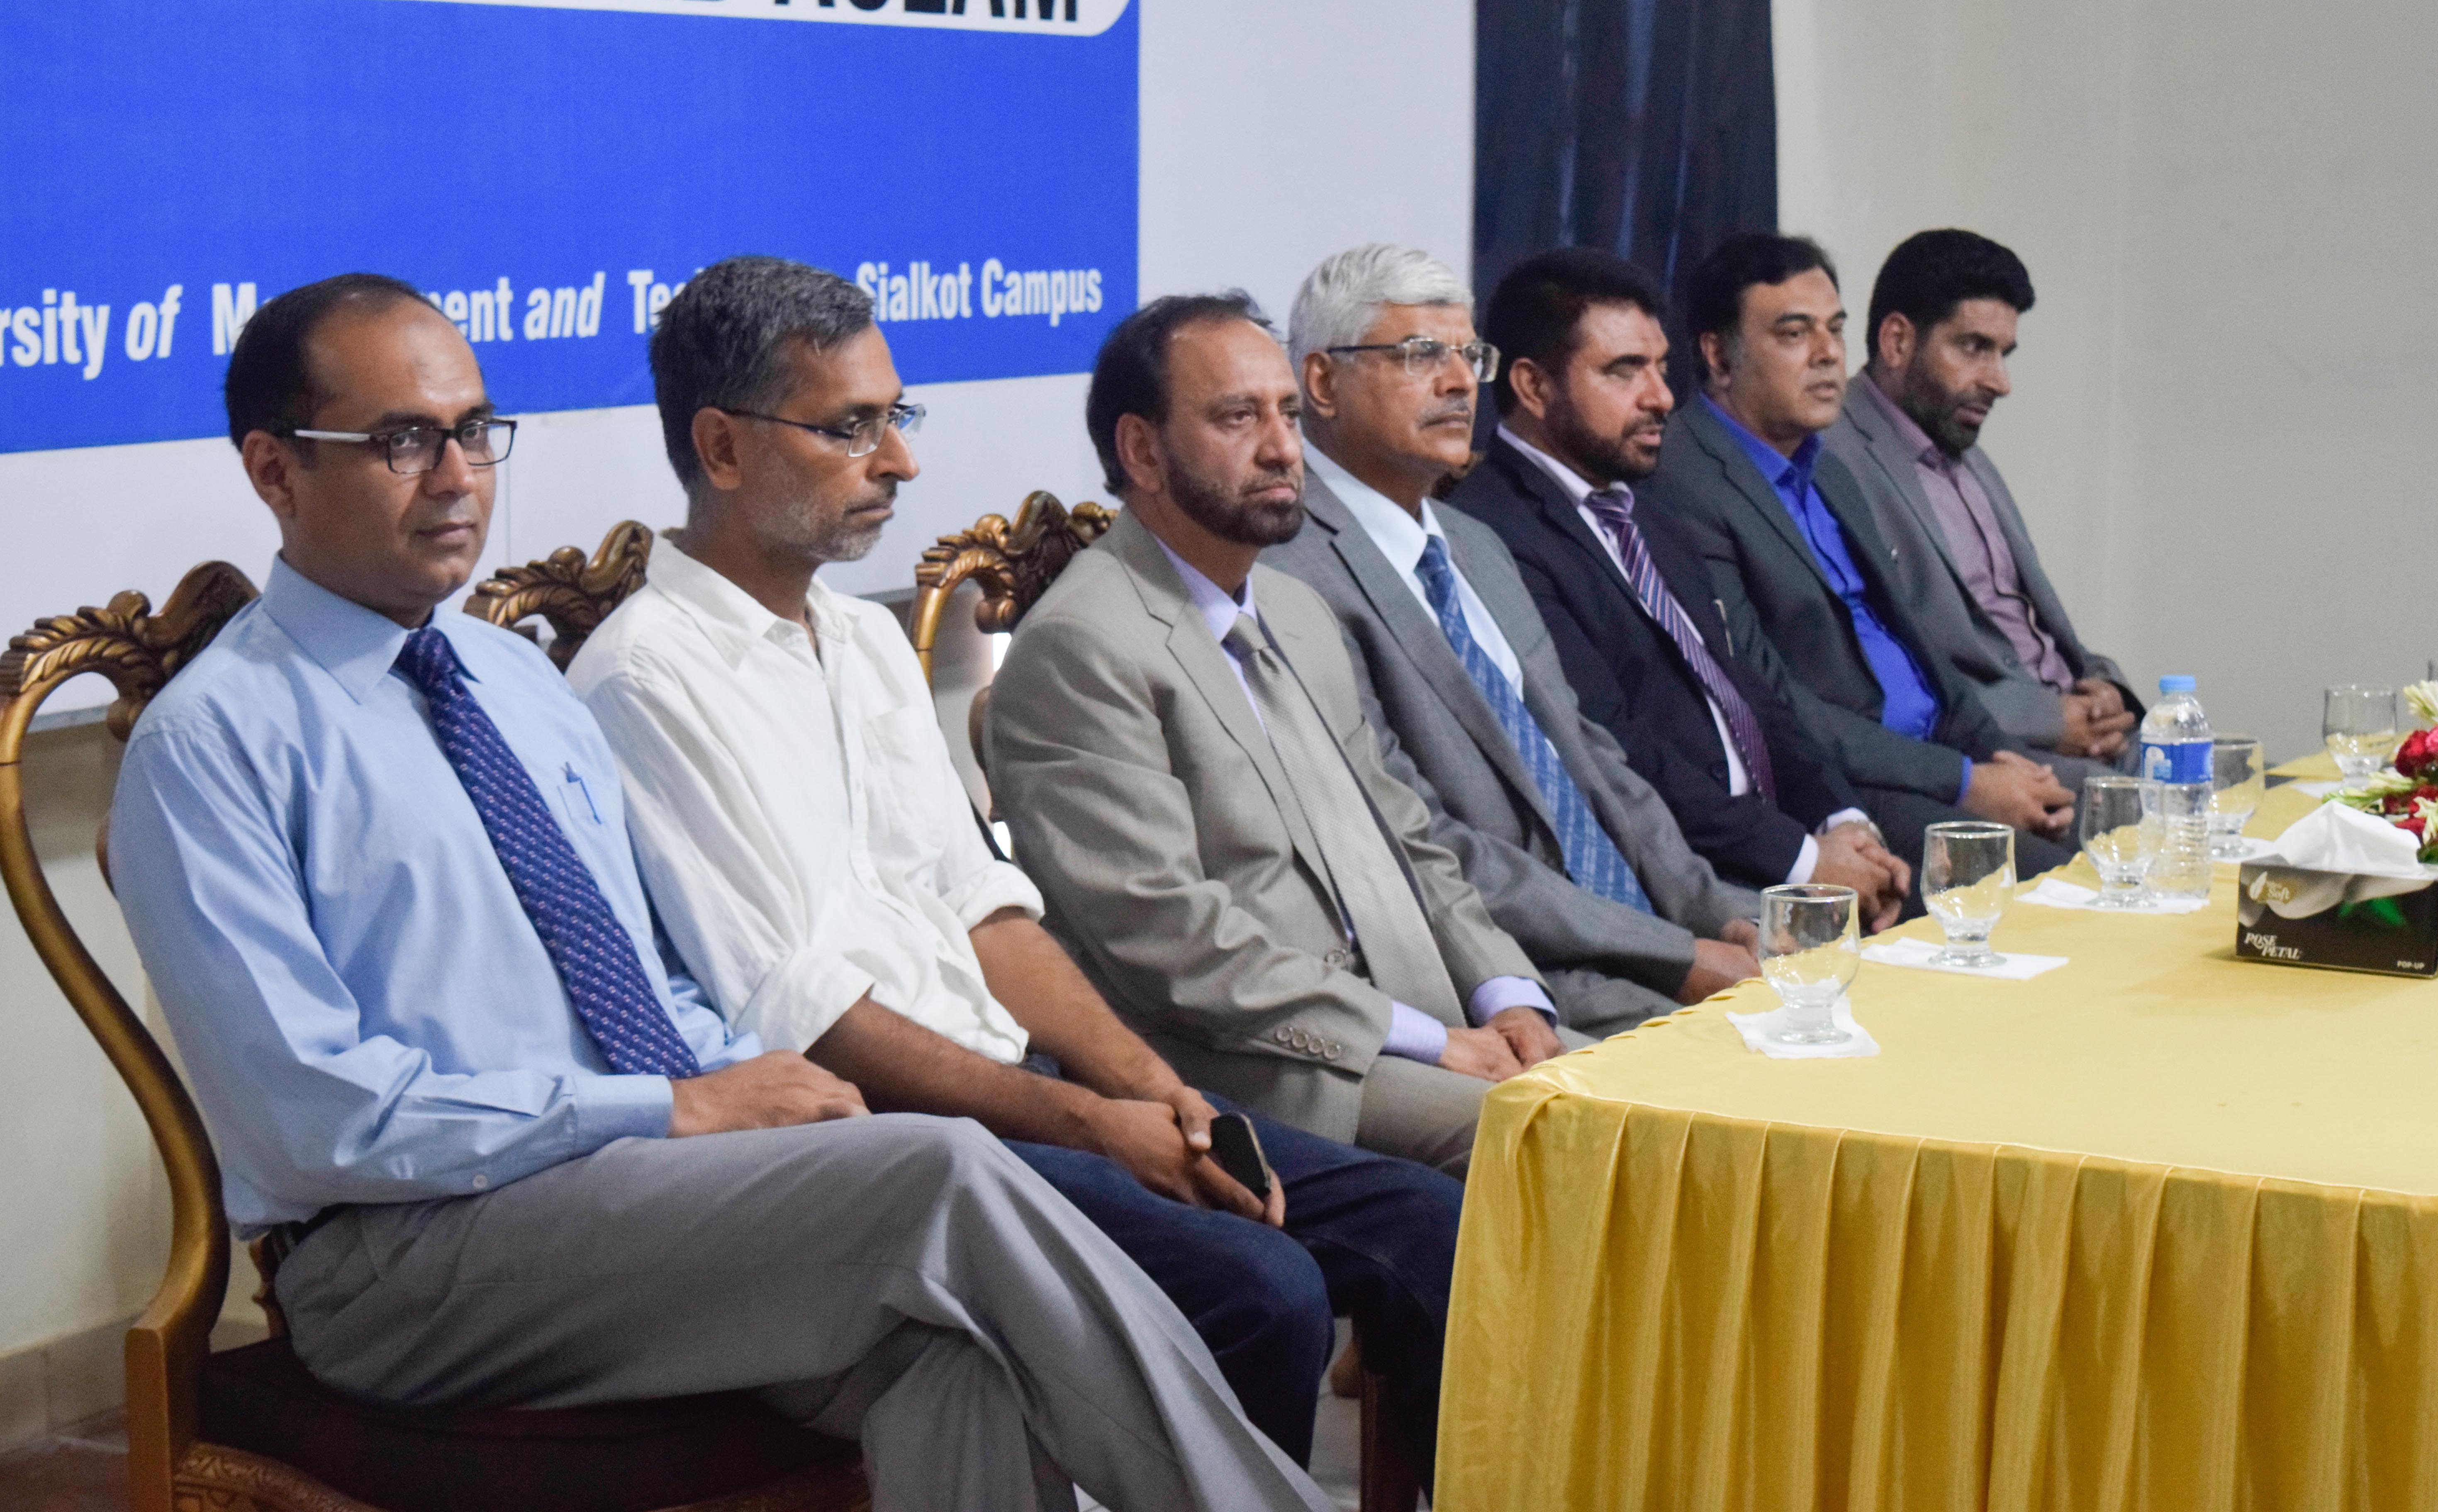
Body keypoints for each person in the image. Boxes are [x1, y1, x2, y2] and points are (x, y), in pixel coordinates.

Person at [105, 273, 1333, 1512]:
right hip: (407, 1256)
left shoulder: (513, 682)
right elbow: (316, 1119)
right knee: (937, 1171)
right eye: (402, 441)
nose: (459, 477)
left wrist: (757, 1088)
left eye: (475, 431)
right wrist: (669, 1107)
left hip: (633, 1193)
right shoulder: (212, 744)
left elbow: (643, 981)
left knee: (956, 1354)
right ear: (274, 469)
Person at [568, 256, 1462, 1472]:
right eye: (850, 427)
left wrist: (1154, 1092)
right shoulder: (644, 679)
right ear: (722, 447)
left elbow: (988, 912)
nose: (899, 460)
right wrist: (1091, 1123)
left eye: (896, 416)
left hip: (1019, 1080)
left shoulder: (859, 638)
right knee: (1263, 1288)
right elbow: (806, 1016)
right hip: (886, 1138)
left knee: (1419, 1222)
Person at [986, 293, 1580, 1181]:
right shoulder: (1081, 645)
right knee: (1574, 1140)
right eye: (1238, 418)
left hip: (1430, 1022)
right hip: (1275, 1070)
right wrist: (1427, 1039)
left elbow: (1409, 838)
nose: (1282, 449)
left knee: (1668, 1104)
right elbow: (1169, 938)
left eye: (1289, 415)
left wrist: (1509, 994)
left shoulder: (1298, 611)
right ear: (1142, 450)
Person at [1256, 243, 1789, 1004]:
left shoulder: (1474, 544)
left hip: (1647, 932)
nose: (1458, 383)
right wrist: (1676, 955)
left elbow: (1594, 759)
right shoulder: (1287, 574)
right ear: (1321, 382)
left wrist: (1718, 916)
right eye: (1420, 355)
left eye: (1468, 355)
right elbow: (1420, 839)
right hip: (1512, 971)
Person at [1448, 246, 1912, 928]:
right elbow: (1614, 749)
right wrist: (1804, 861)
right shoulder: (1490, 534)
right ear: (1534, 387)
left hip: (1776, 845)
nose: (1661, 397)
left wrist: (1842, 822)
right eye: (1624, 371)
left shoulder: (1648, 511)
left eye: (1661, 368)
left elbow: (1749, 691)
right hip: (1678, 880)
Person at [1647, 234, 2077, 872]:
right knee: (2050, 885)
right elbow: (1769, 702)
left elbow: (1924, 652)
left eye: (1836, 329)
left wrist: (2002, 759)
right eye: (1795, 334)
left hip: (1942, 758)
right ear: (1718, 354)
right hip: (1845, 789)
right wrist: (1965, 781)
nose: (1827, 354)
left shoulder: (1829, 471)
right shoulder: (1682, 481)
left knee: (2120, 837)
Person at [1824, 229, 2137, 772]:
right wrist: (2050, 721)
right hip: (1996, 751)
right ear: (1897, 342)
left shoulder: (1964, 450)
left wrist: (2107, 691)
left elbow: (2030, 625)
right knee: (2194, 811)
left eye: (2004, 354)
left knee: (2254, 782)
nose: (2000, 382)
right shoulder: (1833, 458)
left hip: (2086, 728)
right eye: (1974, 348)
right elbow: (1877, 670)